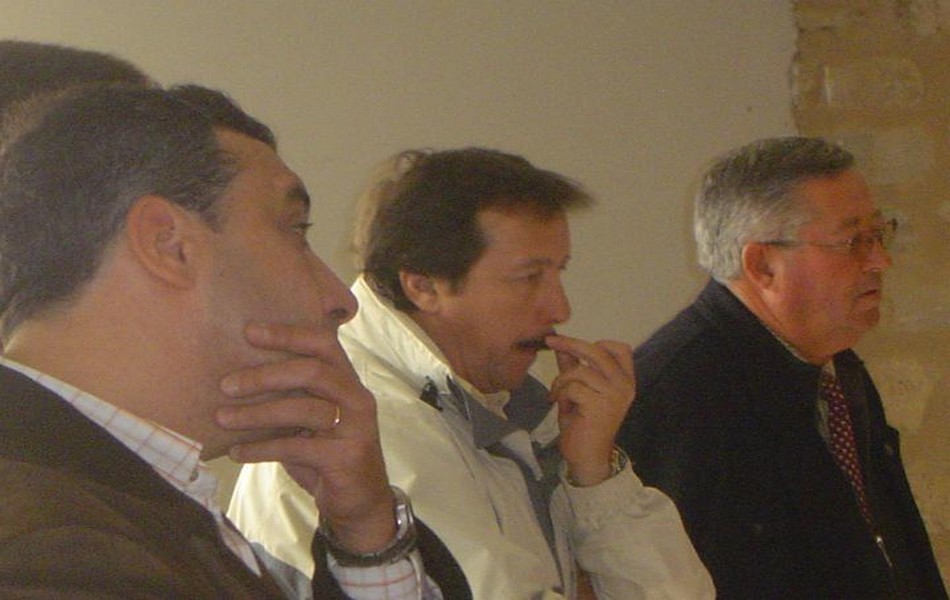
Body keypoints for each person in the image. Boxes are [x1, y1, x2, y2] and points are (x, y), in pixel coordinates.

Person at [0, 84, 469, 598]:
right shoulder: (50, 547)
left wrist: (367, 535)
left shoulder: (110, 503)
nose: (342, 301)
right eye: (296, 230)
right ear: (168, 244)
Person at [229, 148, 715, 599]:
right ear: (423, 287)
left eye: (559, 272)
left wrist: (595, 475)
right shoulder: (369, 422)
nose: (560, 308)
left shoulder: (505, 405)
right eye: (529, 278)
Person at [617, 136, 947, 598]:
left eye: (878, 234)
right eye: (852, 241)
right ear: (763, 265)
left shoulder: (837, 368)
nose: (880, 260)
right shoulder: (675, 397)